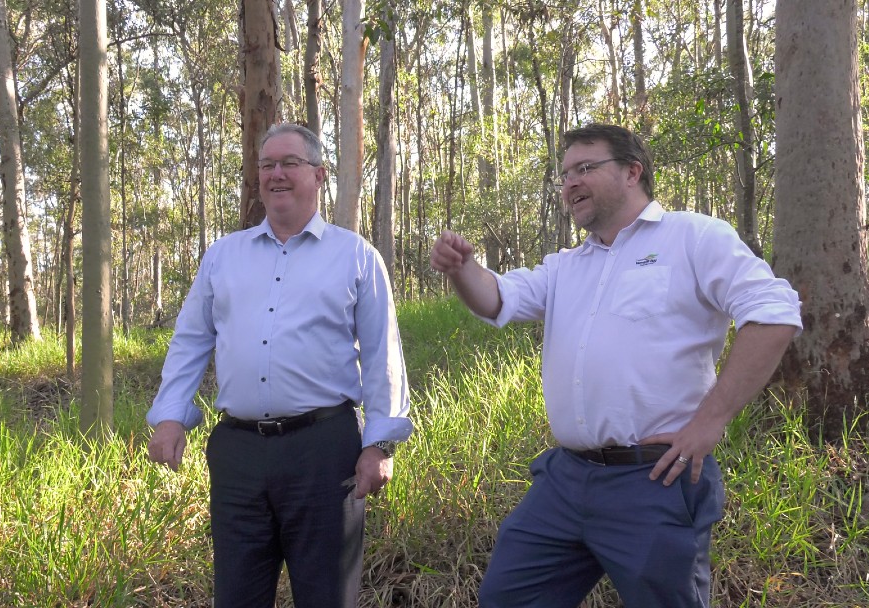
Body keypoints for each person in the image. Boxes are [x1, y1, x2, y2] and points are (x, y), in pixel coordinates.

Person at [430, 123, 802, 608]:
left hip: (654, 482)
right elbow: (497, 296)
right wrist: (461, 269)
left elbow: (774, 313)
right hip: (565, 481)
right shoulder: (566, 266)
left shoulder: (693, 237)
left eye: (585, 168)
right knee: (507, 598)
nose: (570, 183)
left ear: (632, 172)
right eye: (564, 175)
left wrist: (710, 423)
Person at [147, 123, 412, 608]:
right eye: (267, 165)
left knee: (326, 597)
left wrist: (380, 444)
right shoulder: (222, 257)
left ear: (319, 174)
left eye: (289, 163)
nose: (276, 174)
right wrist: (170, 414)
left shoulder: (356, 256)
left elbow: (382, 357)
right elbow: (190, 340)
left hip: (324, 454)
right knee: (237, 595)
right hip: (238, 454)